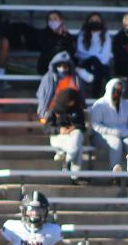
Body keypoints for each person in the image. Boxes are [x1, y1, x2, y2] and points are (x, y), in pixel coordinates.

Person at [37, 53, 92, 181]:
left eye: (66, 65)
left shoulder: (74, 80)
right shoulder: (49, 79)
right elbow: (47, 127)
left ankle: (69, 164)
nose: (63, 68)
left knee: (77, 138)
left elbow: (81, 123)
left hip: (72, 135)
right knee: (77, 147)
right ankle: (74, 173)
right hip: (58, 133)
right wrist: (60, 130)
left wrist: (73, 128)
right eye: (60, 65)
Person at [91, 78, 128, 174]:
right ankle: (115, 171)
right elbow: (95, 125)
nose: (117, 92)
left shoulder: (126, 105)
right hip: (102, 136)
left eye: (119, 90)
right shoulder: (99, 104)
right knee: (116, 143)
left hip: (123, 134)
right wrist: (112, 132)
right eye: (115, 89)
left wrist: (125, 131)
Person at [75, 13, 112, 99]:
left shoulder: (106, 35)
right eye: (92, 20)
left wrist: (98, 62)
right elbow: (80, 52)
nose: (94, 22)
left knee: (99, 70)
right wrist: (94, 58)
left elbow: (106, 54)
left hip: (101, 64)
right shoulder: (82, 35)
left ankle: (96, 95)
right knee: (98, 65)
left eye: (97, 20)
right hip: (86, 62)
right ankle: (99, 95)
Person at [34, 10, 77, 75]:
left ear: (61, 20)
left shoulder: (66, 35)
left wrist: (63, 36)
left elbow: (71, 51)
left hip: (63, 65)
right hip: (46, 66)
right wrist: (57, 35)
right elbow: (46, 50)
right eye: (50, 19)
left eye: (55, 19)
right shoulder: (43, 34)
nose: (53, 21)